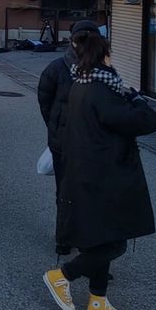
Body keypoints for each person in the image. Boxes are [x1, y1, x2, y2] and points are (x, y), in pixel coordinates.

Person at [43, 32, 156, 310]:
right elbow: (148, 122)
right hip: (104, 176)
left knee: (99, 239)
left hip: (85, 172)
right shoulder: (103, 92)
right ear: (103, 57)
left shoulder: (80, 86)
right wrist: (135, 98)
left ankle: (98, 300)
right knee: (114, 242)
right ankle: (61, 276)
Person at [37, 19, 101, 254]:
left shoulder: (101, 69)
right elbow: (44, 101)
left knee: (86, 193)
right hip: (65, 142)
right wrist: (55, 126)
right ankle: (64, 238)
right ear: (72, 41)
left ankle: (87, 244)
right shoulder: (57, 68)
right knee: (66, 191)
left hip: (91, 144)